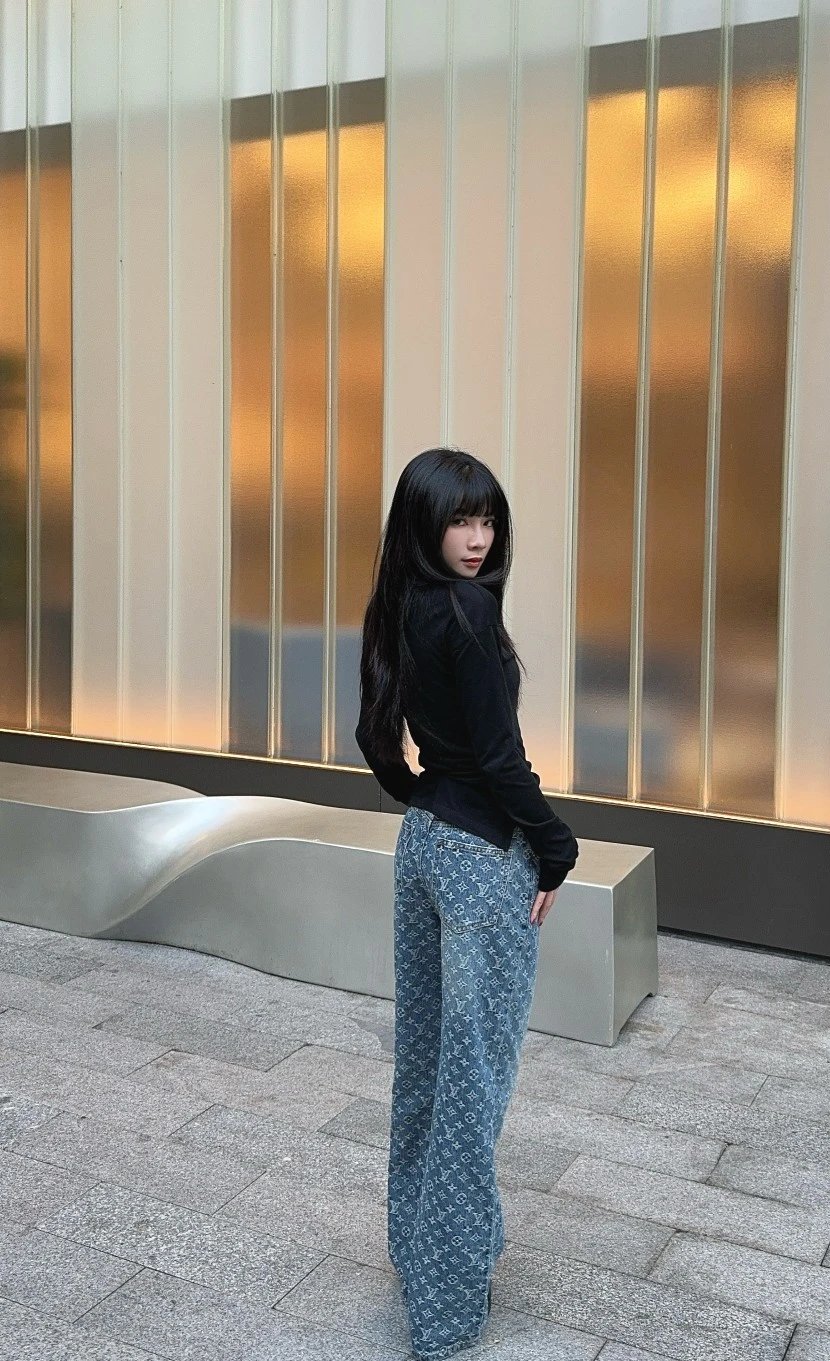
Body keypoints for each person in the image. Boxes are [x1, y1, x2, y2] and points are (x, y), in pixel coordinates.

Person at [355, 447, 579, 1359]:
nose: (478, 537)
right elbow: (499, 757)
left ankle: (418, 1251)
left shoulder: (397, 603)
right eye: (459, 520)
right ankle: (445, 1313)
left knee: (425, 1066)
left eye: (487, 519)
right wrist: (556, 845)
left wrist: (422, 795)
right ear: (426, 523)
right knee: (470, 1087)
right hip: (485, 859)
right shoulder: (468, 610)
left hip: (422, 847)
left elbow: (375, 735)